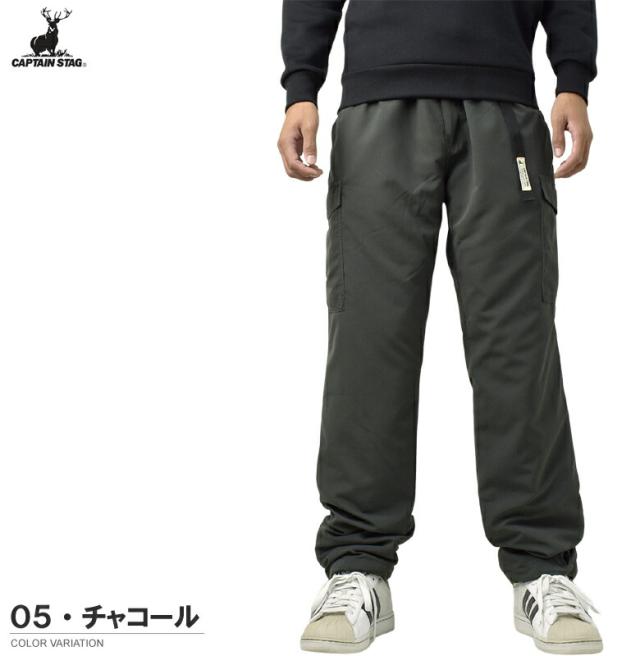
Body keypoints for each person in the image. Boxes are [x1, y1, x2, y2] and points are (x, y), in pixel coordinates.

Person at [277, 1, 601, 653]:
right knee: (370, 342)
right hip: (378, 101)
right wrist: (301, 85)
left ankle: (542, 567)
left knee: (517, 343)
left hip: (502, 106)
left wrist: (573, 77)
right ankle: (358, 566)